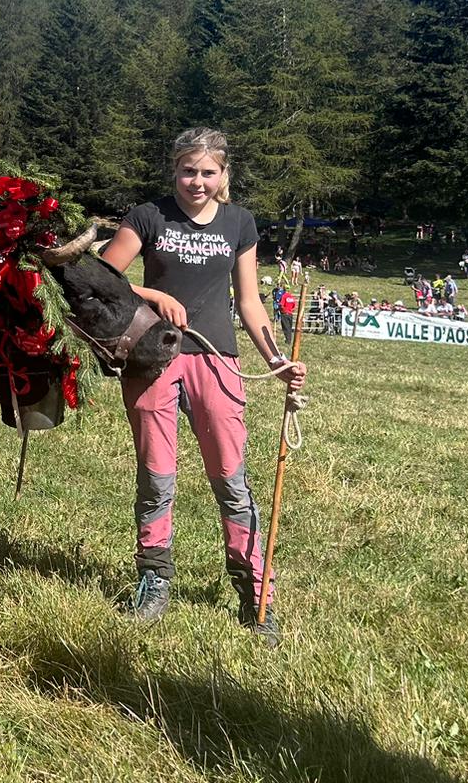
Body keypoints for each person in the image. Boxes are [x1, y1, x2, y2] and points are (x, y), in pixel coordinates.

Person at [100, 128, 306, 643]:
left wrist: (277, 360)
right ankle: (154, 579)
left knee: (232, 480)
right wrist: (152, 293)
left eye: (207, 172)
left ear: (222, 175)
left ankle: (255, 591)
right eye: (188, 171)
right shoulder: (149, 215)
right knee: (157, 477)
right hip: (154, 358)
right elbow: (100, 278)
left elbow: (251, 302)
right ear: (175, 171)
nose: (197, 181)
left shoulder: (240, 223)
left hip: (217, 360)